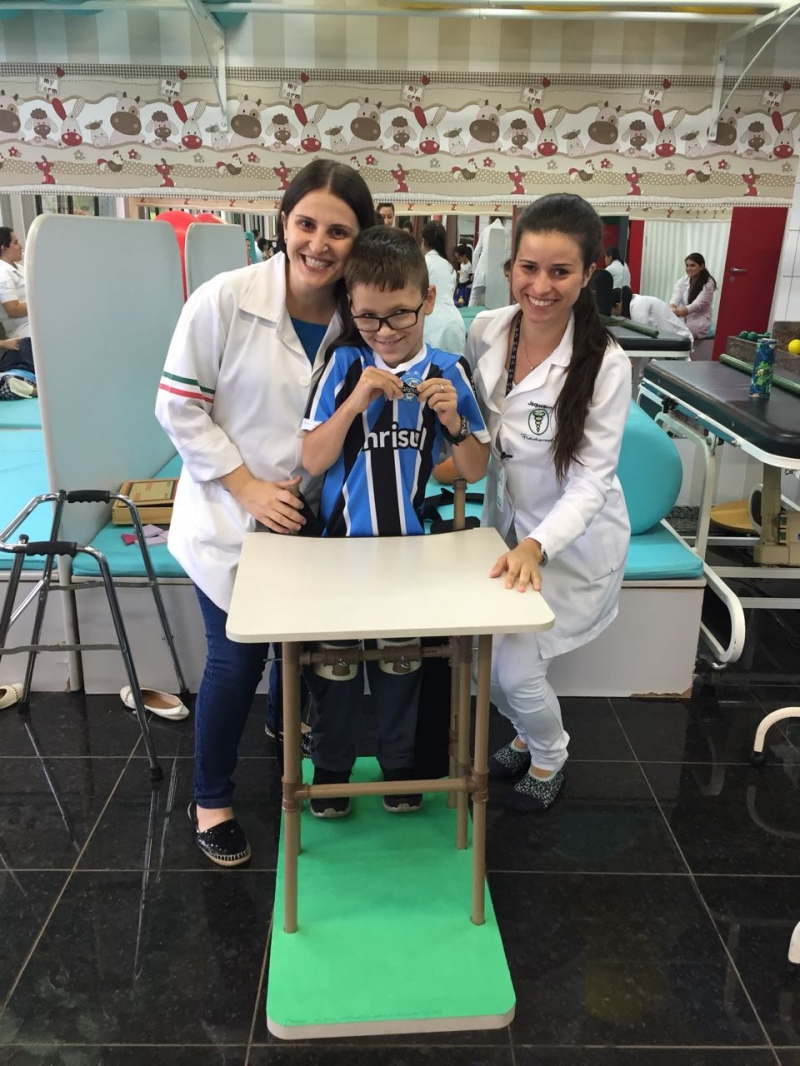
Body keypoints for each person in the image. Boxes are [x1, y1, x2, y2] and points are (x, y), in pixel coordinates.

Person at [155, 159, 376, 867]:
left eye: (339, 231)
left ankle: (289, 730)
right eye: (306, 224)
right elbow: (177, 408)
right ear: (283, 222)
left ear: (360, 239)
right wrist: (247, 486)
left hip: (315, 522)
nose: (319, 244)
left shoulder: (359, 315)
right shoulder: (226, 299)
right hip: (229, 518)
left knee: (305, 650)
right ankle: (211, 800)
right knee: (235, 660)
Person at [301, 226, 489, 817]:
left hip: (409, 552)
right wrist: (355, 403)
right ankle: (331, 770)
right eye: (368, 317)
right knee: (332, 669)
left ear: (427, 299)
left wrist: (455, 422)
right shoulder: (342, 364)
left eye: (399, 315)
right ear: (350, 307)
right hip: (338, 552)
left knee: (401, 666)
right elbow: (312, 458)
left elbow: (473, 468)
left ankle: (400, 769)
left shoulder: (449, 370)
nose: (384, 331)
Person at [466, 193, 631, 813]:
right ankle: (524, 734)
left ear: (589, 273)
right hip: (508, 529)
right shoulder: (488, 330)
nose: (540, 286)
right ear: (511, 265)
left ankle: (550, 755)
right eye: (528, 267)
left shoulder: (604, 364)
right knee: (484, 665)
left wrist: (537, 545)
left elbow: (591, 481)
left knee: (513, 669)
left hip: (569, 540)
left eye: (560, 271)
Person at [420, 220, 467, 356]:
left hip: (432, 323)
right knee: (454, 365)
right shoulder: (450, 266)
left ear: (424, 241)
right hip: (455, 321)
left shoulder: (422, 264)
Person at [0, 228, 35, 383]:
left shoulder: (20, 269)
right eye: (15, 242)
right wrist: (41, 302)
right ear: (3, 248)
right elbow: (13, 310)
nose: (20, 246)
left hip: (37, 326)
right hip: (24, 334)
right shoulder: (2, 273)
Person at [612, 285, 693, 344]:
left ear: (618, 306)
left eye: (613, 312)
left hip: (680, 338)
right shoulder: (633, 303)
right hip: (669, 340)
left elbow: (640, 340)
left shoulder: (637, 305)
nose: (613, 315)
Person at [669, 252, 716, 342]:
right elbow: (675, 297)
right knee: (669, 327)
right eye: (687, 266)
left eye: (692, 266)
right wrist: (672, 306)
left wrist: (675, 311)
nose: (689, 269)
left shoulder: (708, 284)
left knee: (683, 333)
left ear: (701, 266)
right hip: (683, 314)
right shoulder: (683, 280)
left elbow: (696, 305)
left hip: (699, 318)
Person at [469, 216, 512, 307]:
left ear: (490, 219)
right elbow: (507, 254)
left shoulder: (485, 230)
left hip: (481, 270)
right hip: (496, 272)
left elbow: (476, 252)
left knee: (474, 298)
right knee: (494, 303)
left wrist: (474, 272)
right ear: (504, 219)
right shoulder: (506, 232)